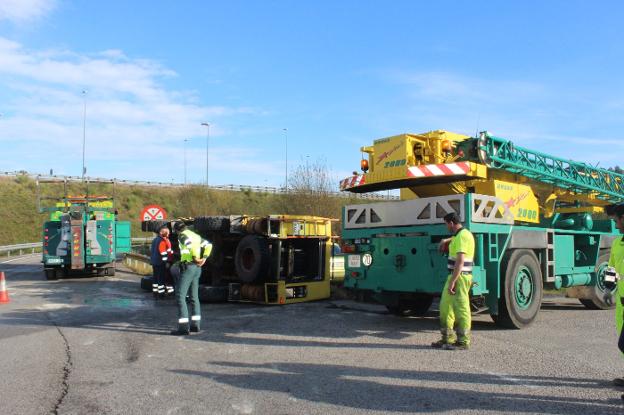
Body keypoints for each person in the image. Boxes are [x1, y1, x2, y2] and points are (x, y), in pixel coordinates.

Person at [431, 212, 475, 350]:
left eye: (446, 224)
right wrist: (446, 240)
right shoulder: (459, 235)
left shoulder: (463, 236)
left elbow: (460, 261)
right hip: (455, 276)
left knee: (461, 309)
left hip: (460, 277)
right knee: (445, 307)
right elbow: (456, 238)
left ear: (451, 223)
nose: (446, 227)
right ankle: (447, 338)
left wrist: (453, 281)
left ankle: (463, 342)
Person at [170, 221, 212, 335]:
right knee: (194, 297)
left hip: (189, 266)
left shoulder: (182, 235)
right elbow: (208, 245)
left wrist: (194, 257)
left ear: (177, 230)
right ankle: (195, 326)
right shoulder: (195, 235)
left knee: (180, 296)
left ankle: (183, 328)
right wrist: (204, 258)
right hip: (197, 268)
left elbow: (188, 244)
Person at [606, 204, 624, 390]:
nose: (616, 225)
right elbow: (612, 267)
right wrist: (609, 286)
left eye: (616, 220)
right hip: (621, 301)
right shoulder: (617, 243)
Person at [150, 225, 173, 297]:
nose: (168, 234)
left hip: (154, 262)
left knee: (155, 278)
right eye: (167, 233)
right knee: (161, 278)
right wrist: (166, 262)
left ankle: (155, 292)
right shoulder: (162, 241)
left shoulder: (155, 239)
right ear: (162, 233)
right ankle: (161, 294)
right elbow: (163, 253)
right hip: (160, 262)